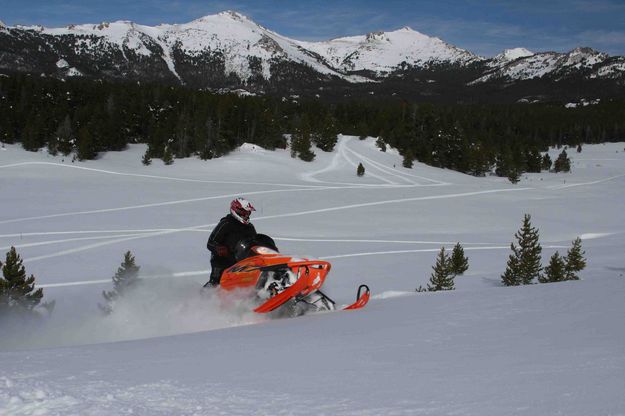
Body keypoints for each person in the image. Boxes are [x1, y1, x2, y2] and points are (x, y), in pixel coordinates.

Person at [204, 198, 257, 287]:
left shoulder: (250, 227)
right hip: (223, 260)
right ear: (236, 210)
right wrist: (219, 249)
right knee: (216, 282)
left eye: (248, 213)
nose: (246, 215)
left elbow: (255, 241)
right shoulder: (226, 224)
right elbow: (210, 242)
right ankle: (207, 295)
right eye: (244, 212)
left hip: (242, 260)